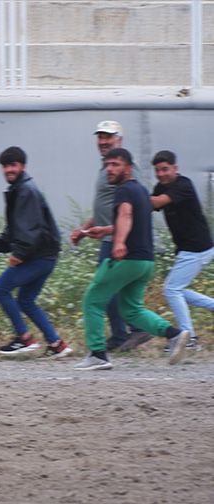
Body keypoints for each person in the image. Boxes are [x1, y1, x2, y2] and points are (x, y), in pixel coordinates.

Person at [74, 148, 189, 370]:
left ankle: (97, 354)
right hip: (145, 262)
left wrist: (118, 242)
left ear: (128, 168)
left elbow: (126, 214)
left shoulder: (124, 190)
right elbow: (133, 221)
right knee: (131, 309)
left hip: (127, 259)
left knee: (93, 300)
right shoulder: (141, 191)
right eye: (108, 165)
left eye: (115, 164)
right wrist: (106, 230)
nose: (110, 169)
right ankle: (174, 334)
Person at [70, 120, 150, 352]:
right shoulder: (107, 168)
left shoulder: (123, 170)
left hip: (115, 240)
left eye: (109, 137)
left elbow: (129, 208)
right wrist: (84, 230)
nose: (103, 142)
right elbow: (105, 208)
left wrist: (120, 239)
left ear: (120, 140)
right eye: (101, 137)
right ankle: (127, 333)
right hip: (108, 237)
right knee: (114, 289)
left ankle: (126, 333)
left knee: (103, 288)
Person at [0, 147, 71, 358]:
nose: (9, 170)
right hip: (45, 255)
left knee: (1, 289)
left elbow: (30, 228)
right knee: (26, 300)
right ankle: (57, 344)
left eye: (13, 165)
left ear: (22, 166)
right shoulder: (19, 189)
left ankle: (23, 339)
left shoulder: (25, 191)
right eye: (5, 166)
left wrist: (19, 253)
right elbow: (15, 228)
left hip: (38, 256)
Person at [150, 150, 213, 351]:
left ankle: (189, 338)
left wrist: (131, 193)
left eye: (165, 169)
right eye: (157, 170)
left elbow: (157, 203)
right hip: (187, 249)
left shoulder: (183, 185)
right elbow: (147, 208)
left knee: (171, 289)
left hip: (198, 248)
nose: (161, 174)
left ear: (175, 169)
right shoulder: (160, 187)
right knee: (176, 289)